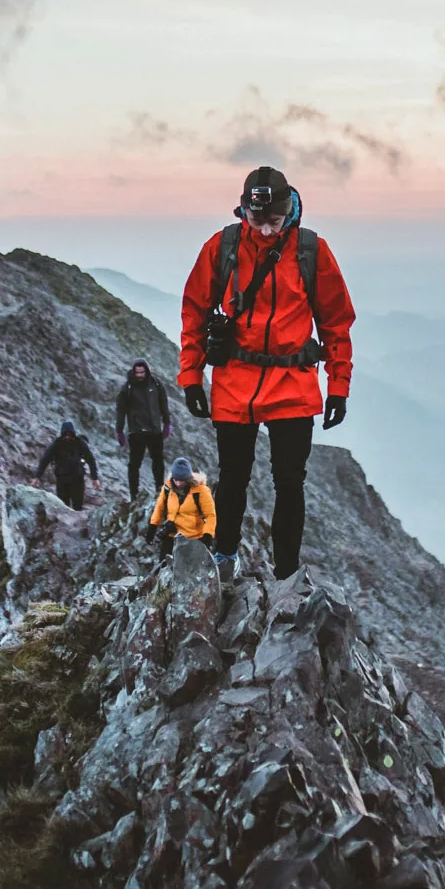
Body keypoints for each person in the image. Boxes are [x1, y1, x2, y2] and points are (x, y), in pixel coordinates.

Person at [177, 165, 355, 583]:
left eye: (274, 221)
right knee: (233, 478)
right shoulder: (222, 246)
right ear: (243, 210)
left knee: (289, 483)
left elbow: (336, 322)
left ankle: (286, 577)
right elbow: (194, 311)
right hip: (234, 379)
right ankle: (223, 559)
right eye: (255, 221)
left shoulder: (312, 251)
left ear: (289, 211)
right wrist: (190, 376)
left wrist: (338, 387)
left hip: (292, 383)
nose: (265, 231)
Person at [115, 359, 173, 499]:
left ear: (146, 371)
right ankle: (134, 494)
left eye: (142, 372)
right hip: (136, 431)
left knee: (158, 462)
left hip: (154, 430)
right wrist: (119, 430)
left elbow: (163, 404)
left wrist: (167, 423)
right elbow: (120, 410)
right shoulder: (127, 388)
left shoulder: (157, 384)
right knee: (134, 464)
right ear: (134, 372)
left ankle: (159, 489)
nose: (140, 375)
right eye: (137, 373)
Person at [147, 457, 216, 556]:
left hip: (193, 539)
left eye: (182, 480)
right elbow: (159, 508)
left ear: (188, 478)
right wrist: (152, 527)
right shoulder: (167, 488)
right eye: (176, 480)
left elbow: (210, 515)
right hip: (171, 536)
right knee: (165, 567)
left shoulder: (201, 491)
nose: (178, 483)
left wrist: (207, 536)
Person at [35, 419, 99, 509]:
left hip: (77, 480)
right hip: (62, 480)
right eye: (65, 435)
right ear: (62, 434)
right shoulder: (57, 444)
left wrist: (95, 478)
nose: (67, 437)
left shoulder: (79, 443)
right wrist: (37, 477)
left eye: (70, 434)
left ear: (73, 434)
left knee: (77, 507)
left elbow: (91, 460)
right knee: (63, 507)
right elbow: (45, 460)